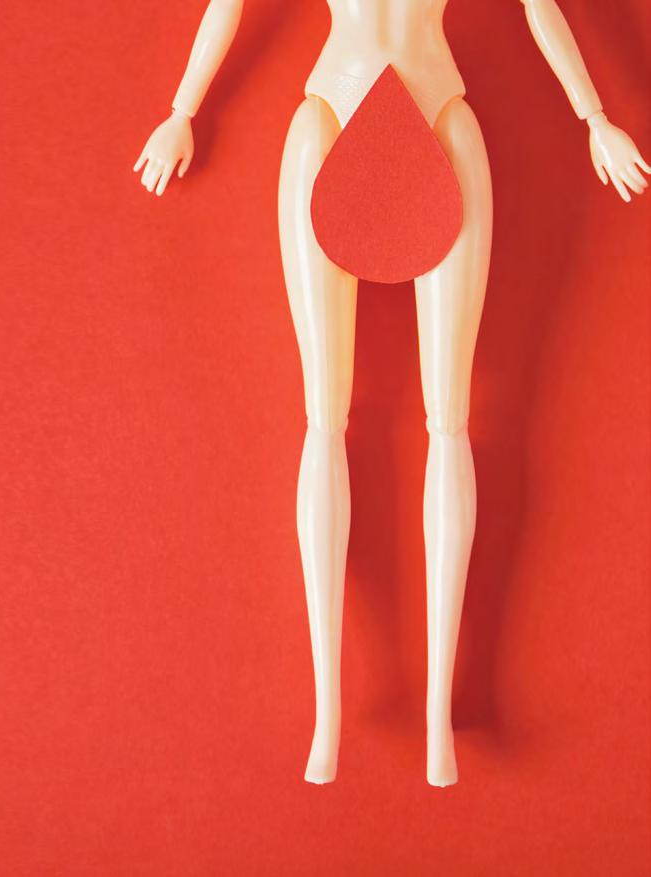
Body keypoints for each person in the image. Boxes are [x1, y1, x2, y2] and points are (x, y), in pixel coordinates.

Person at [132, 0, 648, 787]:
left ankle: (438, 712)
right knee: (324, 415)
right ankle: (327, 712)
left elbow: (538, 6)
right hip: (327, 121)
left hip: (441, 122)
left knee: (451, 419)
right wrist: (182, 110)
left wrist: (594, 118)